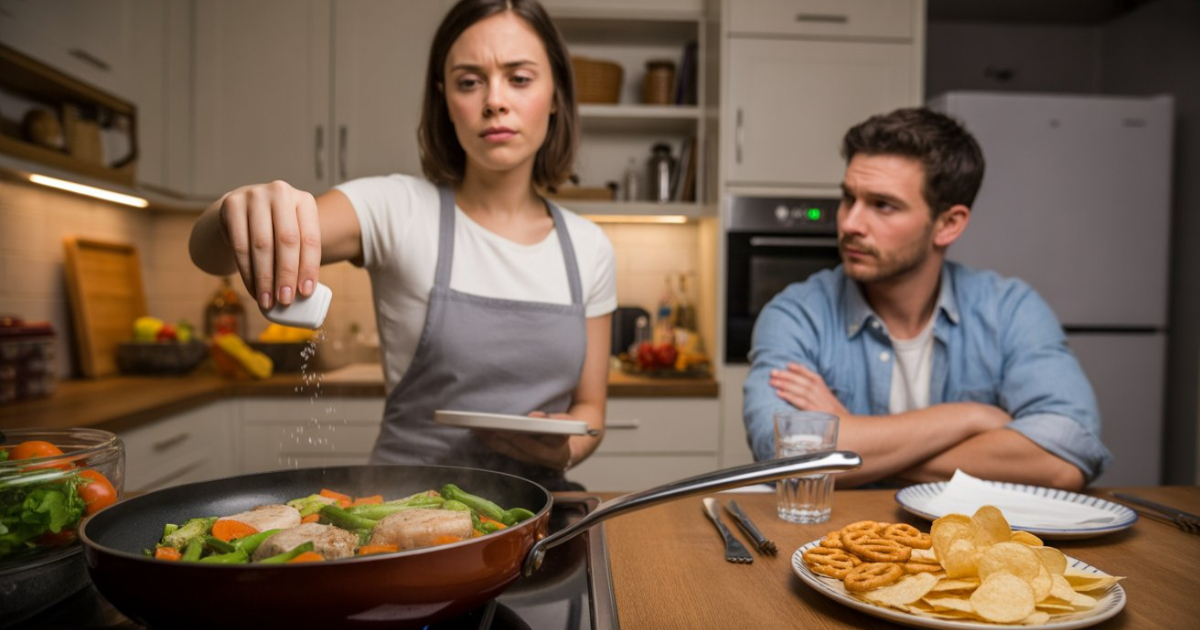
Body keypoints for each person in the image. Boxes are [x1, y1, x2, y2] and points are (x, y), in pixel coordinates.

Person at [189, 0, 616, 491]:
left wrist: (567, 447)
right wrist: (232, 214)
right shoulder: (395, 208)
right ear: (445, 98)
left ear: (556, 94)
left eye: (519, 78)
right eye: (469, 81)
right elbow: (209, 253)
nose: (495, 100)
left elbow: (590, 411)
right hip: (400, 508)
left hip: (541, 510)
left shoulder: (589, 248)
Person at [742, 108, 1111, 491]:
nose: (850, 223)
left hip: (970, 550)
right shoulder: (797, 313)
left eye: (883, 205)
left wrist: (857, 445)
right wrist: (969, 417)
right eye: (848, 198)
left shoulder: (1011, 310)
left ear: (948, 224)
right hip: (834, 547)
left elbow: (1066, 459)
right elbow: (784, 455)